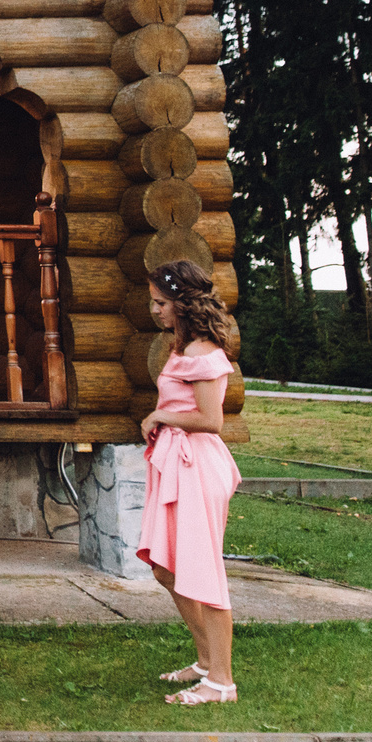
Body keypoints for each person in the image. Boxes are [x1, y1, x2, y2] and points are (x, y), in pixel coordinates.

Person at [137, 258, 243, 706]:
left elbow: (212, 420)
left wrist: (162, 415)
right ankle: (205, 660)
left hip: (197, 467)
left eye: (161, 302)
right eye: (153, 302)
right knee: (166, 568)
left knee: (202, 572)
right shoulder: (182, 349)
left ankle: (221, 682)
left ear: (182, 303)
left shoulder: (203, 354)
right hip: (176, 466)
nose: (155, 310)